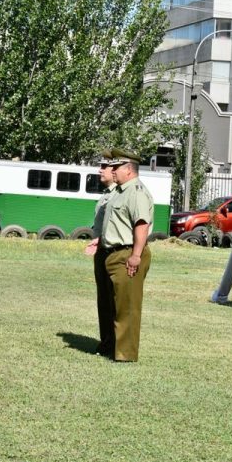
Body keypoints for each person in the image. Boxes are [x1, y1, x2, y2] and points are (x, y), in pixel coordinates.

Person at [100, 148, 154, 362]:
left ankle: (126, 355)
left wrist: (136, 255)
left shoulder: (137, 192)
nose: (112, 171)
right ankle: (114, 348)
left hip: (128, 253)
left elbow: (141, 225)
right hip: (115, 253)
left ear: (129, 169)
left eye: (116, 167)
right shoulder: (121, 191)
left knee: (127, 308)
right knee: (115, 305)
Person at [84, 149, 117, 357]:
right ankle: (106, 342)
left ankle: (114, 344)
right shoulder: (108, 194)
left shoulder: (120, 194)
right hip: (101, 250)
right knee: (103, 300)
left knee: (114, 302)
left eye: (104, 166)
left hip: (113, 251)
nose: (100, 170)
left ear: (115, 170)